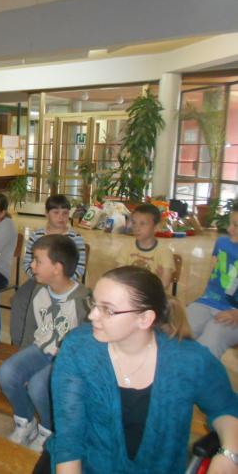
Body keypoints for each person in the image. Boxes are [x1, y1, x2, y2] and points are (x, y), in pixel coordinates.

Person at [45, 266, 238, 474]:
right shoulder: (79, 347)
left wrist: (229, 455)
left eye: (107, 309)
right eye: (94, 303)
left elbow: (226, 408)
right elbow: (69, 441)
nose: (92, 315)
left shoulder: (188, 360)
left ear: (145, 319)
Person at [0, 234, 90, 452]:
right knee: (7, 372)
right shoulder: (39, 290)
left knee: (39, 386)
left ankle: (48, 430)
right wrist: (23, 365)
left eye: (38, 261)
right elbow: (31, 328)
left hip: (66, 358)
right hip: (40, 349)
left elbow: (87, 344)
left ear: (57, 268)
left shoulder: (83, 300)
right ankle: (25, 420)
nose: (32, 265)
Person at [186, 202, 238, 360]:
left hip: (234, 312)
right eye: (230, 223)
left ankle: (197, 374)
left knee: (212, 338)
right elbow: (214, 277)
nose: (229, 229)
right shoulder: (222, 243)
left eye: (236, 225)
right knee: (180, 330)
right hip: (209, 301)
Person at [23, 194, 87, 282]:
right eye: (56, 212)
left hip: (65, 285)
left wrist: (58, 282)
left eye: (65, 213)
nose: (61, 217)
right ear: (46, 214)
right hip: (39, 281)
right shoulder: (36, 236)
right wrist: (40, 278)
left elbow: (80, 268)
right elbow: (27, 264)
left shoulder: (76, 238)